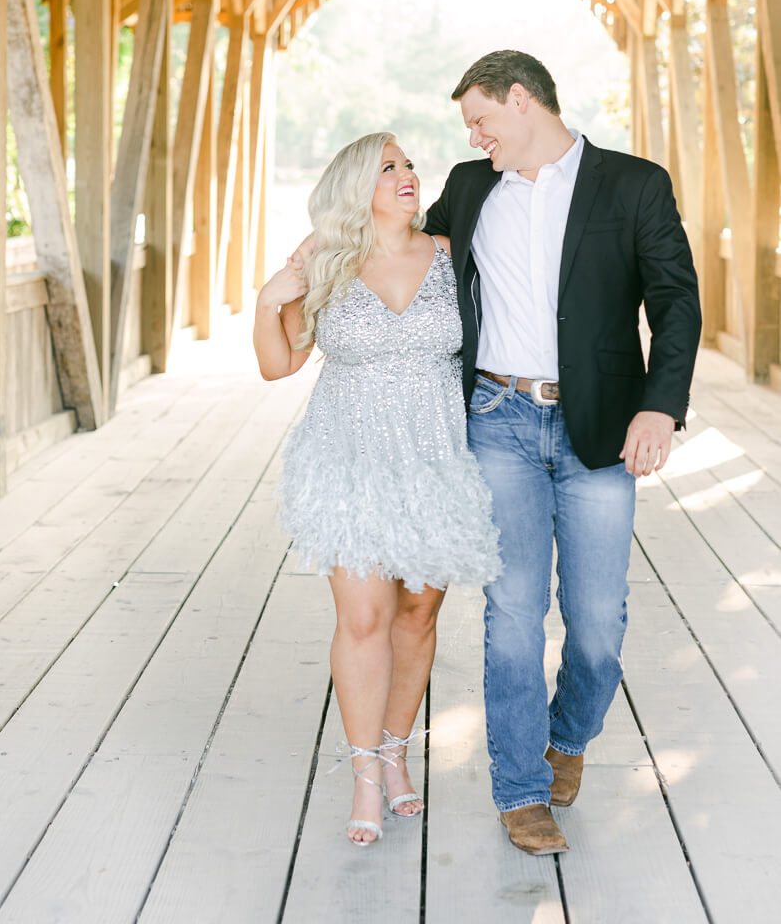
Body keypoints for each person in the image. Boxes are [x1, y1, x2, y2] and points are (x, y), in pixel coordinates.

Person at [424, 50, 701, 856]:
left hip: (603, 428)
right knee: (512, 613)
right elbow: (408, 255)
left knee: (596, 626)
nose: (474, 137)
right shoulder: (472, 188)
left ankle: (569, 739)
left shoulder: (634, 183)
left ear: (522, 101)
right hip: (498, 419)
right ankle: (519, 789)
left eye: (481, 119)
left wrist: (660, 405)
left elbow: (676, 300)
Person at [253, 131, 501, 847]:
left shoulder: (454, 259)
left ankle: (397, 755)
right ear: (357, 184)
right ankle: (364, 772)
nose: (408, 175)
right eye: (388, 167)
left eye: (409, 165)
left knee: (417, 617)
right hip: (348, 459)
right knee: (363, 618)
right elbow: (278, 365)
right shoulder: (326, 265)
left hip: (435, 459)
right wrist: (271, 299)